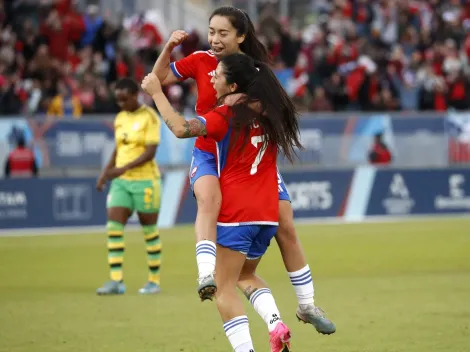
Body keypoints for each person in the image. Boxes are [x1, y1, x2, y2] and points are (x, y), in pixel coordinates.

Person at [153, 6, 335, 334]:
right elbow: (160, 78)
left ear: (241, 36)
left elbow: (270, 113)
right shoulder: (200, 60)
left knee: (287, 226)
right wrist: (167, 49)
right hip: (210, 151)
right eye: (211, 32)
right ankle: (205, 274)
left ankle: (306, 304)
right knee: (209, 203)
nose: (215, 39)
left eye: (223, 33)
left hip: (243, 157)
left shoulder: (256, 73)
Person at [144, 52, 300, 352]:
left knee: (223, 288)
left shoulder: (224, 117)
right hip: (267, 215)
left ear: (233, 85)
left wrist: (157, 94)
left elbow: (180, 129)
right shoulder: (269, 111)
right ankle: (275, 322)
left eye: (218, 74)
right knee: (245, 274)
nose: (211, 77)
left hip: (236, 214)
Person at [95, 78, 162, 296]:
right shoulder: (120, 118)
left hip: (146, 181)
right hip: (122, 183)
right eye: (118, 101)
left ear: (135, 95)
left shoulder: (149, 117)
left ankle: (153, 280)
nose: (121, 104)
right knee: (113, 227)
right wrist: (105, 173)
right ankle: (116, 280)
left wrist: (121, 169)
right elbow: (118, 148)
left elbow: (150, 151)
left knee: (149, 231)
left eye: (124, 99)